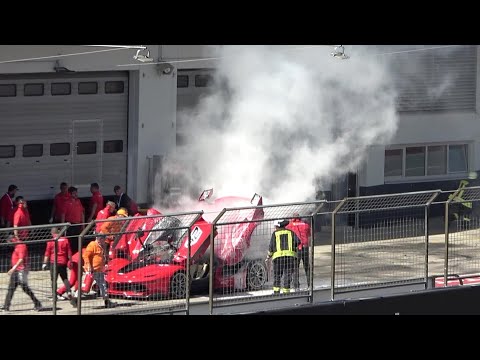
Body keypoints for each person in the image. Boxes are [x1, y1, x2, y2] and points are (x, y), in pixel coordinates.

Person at [0, 236, 42, 312]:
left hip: (20, 270)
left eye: (10, 243)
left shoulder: (20, 246)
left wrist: (13, 268)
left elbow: (21, 259)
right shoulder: (17, 246)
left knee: (25, 288)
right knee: (11, 288)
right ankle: (6, 306)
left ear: (12, 240)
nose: (10, 245)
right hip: (16, 270)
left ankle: (37, 303)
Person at [42, 227, 77, 307]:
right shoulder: (65, 240)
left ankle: (54, 295)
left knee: (53, 280)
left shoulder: (51, 241)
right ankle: (68, 291)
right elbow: (69, 251)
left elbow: (47, 254)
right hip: (63, 262)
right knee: (65, 278)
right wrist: (70, 261)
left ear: (52, 233)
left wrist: (44, 263)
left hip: (54, 262)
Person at [266, 219, 301, 294]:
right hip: (290, 257)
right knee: (288, 274)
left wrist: (269, 256)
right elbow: (298, 242)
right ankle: (286, 292)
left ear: (278, 226)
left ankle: (276, 291)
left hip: (278, 258)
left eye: (275, 226)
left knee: (277, 275)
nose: (275, 228)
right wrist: (292, 247)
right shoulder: (290, 232)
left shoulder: (275, 234)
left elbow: (271, 246)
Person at [82, 235, 116, 308]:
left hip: (98, 270)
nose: (105, 241)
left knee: (102, 285)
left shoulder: (100, 246)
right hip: (92, 270)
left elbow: (100, 257)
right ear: (100, 239)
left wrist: (104, 265)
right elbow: (85, 256)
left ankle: (107, 301)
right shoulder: (93, 245)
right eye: (104, 239)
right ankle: (76, 297)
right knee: (86, 286)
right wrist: (89, 266)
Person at [286, 212, 311, 289]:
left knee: (295, 267)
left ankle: (296, 286)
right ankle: (310, 284)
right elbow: (309, 235)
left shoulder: (289, 225)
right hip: (305, 247)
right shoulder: (305, 225)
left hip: (296, 248)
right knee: (307, 267)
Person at [62, 186, 85, 254]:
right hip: (70, 225)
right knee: (71, 243)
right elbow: (63, 215)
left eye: (76, 193)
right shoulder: (66, 202)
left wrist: (83, 224)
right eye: (74, 193)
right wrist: (63, 226)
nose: (76, 194)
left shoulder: (78, 201)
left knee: (78, 242)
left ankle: (77, 256)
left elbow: (82, 213)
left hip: (78, 225)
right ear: (70, 194)